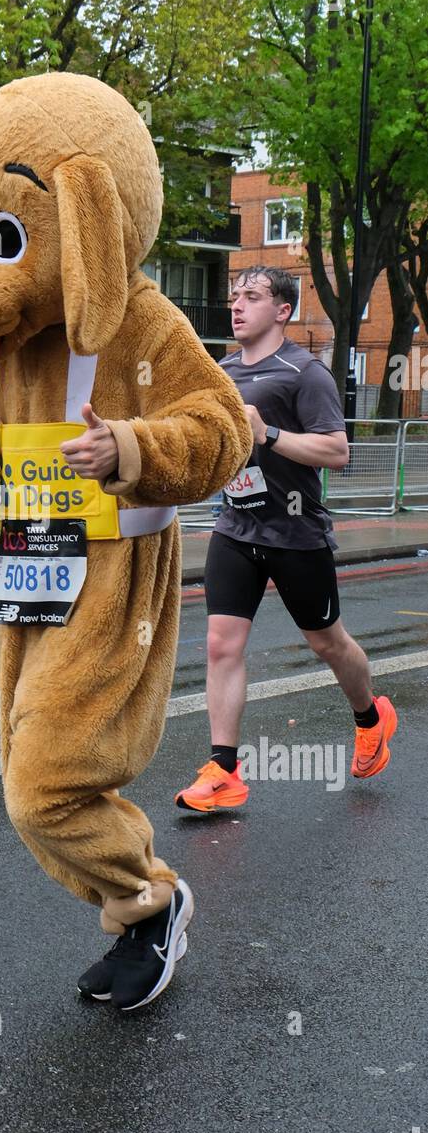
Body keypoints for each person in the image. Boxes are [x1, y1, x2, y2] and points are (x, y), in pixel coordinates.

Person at [175, 265, 397, 813]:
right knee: (222, 644)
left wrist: (268, 433)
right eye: (234, 296)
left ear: (282, 310)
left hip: (296, 532)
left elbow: (337, 452)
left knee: (328, 644)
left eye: (251, 296)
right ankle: (224, 769)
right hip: (236, 527)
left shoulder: (305, 372)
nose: (237, 305)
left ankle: (371, 716)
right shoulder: (220, 372)